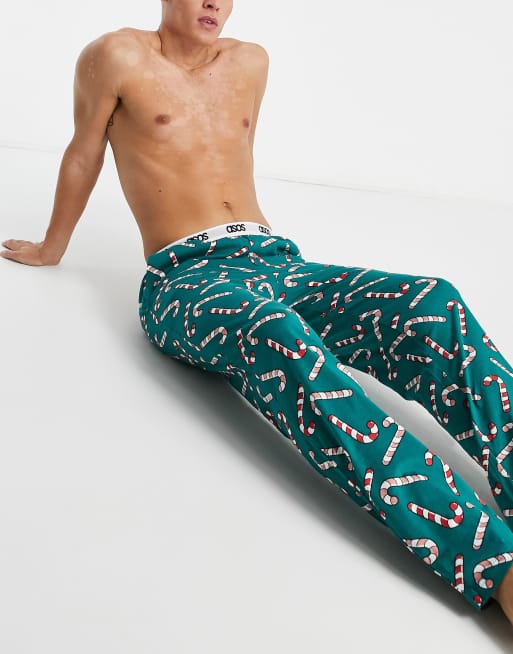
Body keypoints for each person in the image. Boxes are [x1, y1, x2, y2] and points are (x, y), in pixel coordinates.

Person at [3, 0, 513, 626]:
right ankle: (494, 567)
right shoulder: (116, 56)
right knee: (279, 335)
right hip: (185, 277)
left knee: (432, 302)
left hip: (276, 260)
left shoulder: (250, 61)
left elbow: (223, 158)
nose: (214, 2)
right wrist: (51, 247)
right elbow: (84, 152)